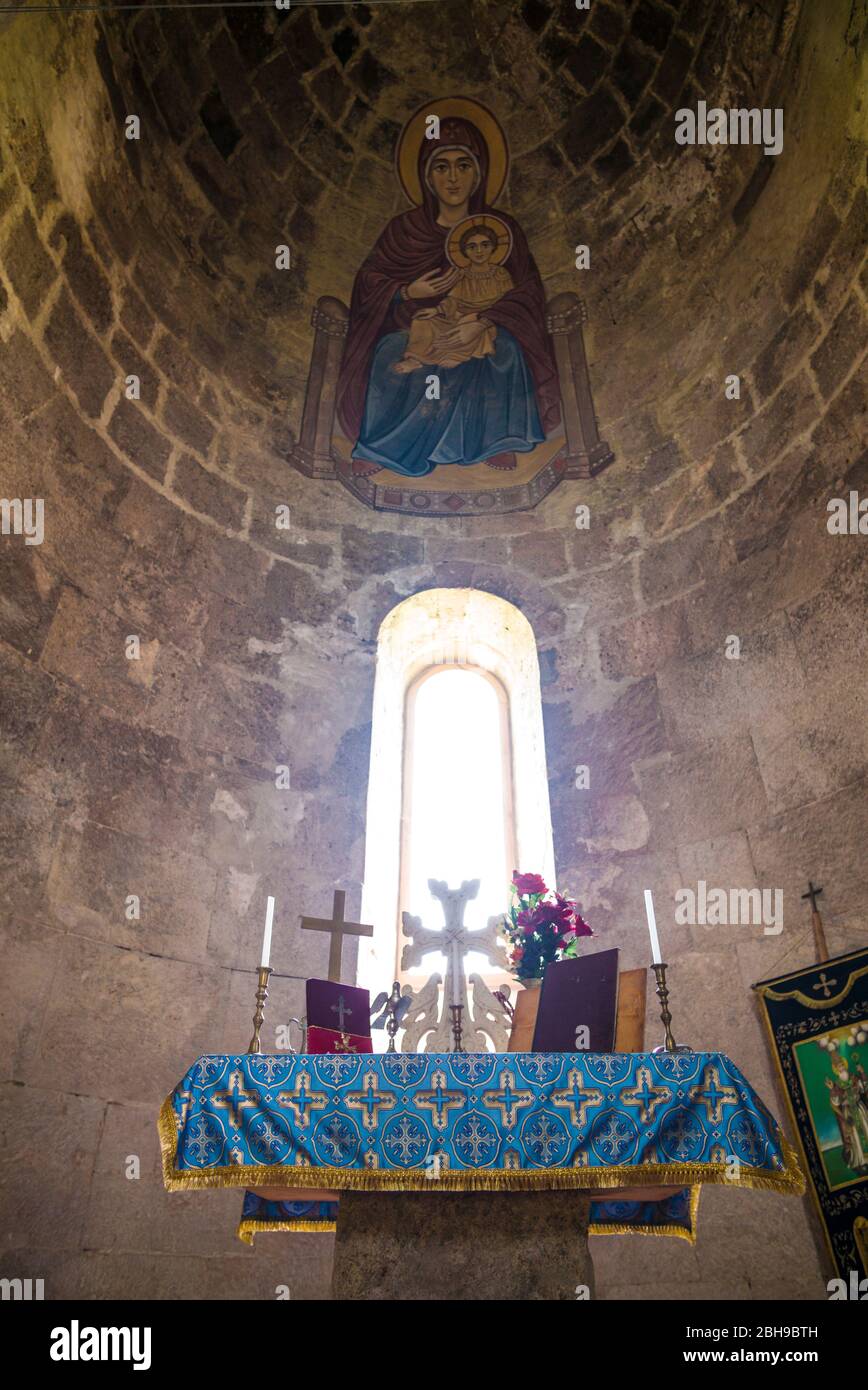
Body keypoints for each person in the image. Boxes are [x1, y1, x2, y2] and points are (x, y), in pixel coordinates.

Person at [336, 116, 559, 477]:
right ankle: (382, 448)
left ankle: (493, 442)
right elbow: (367, 283)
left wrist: (484, 320)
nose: (453, 177)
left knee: (505, 352)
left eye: (463, 165)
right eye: (442, 167)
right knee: (390, 353)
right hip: (421, 327)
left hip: (483, 326)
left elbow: (529, 289)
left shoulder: (503, 230)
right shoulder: (404, 230)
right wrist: (407, 291)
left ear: (480, 173)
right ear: (427, 176)